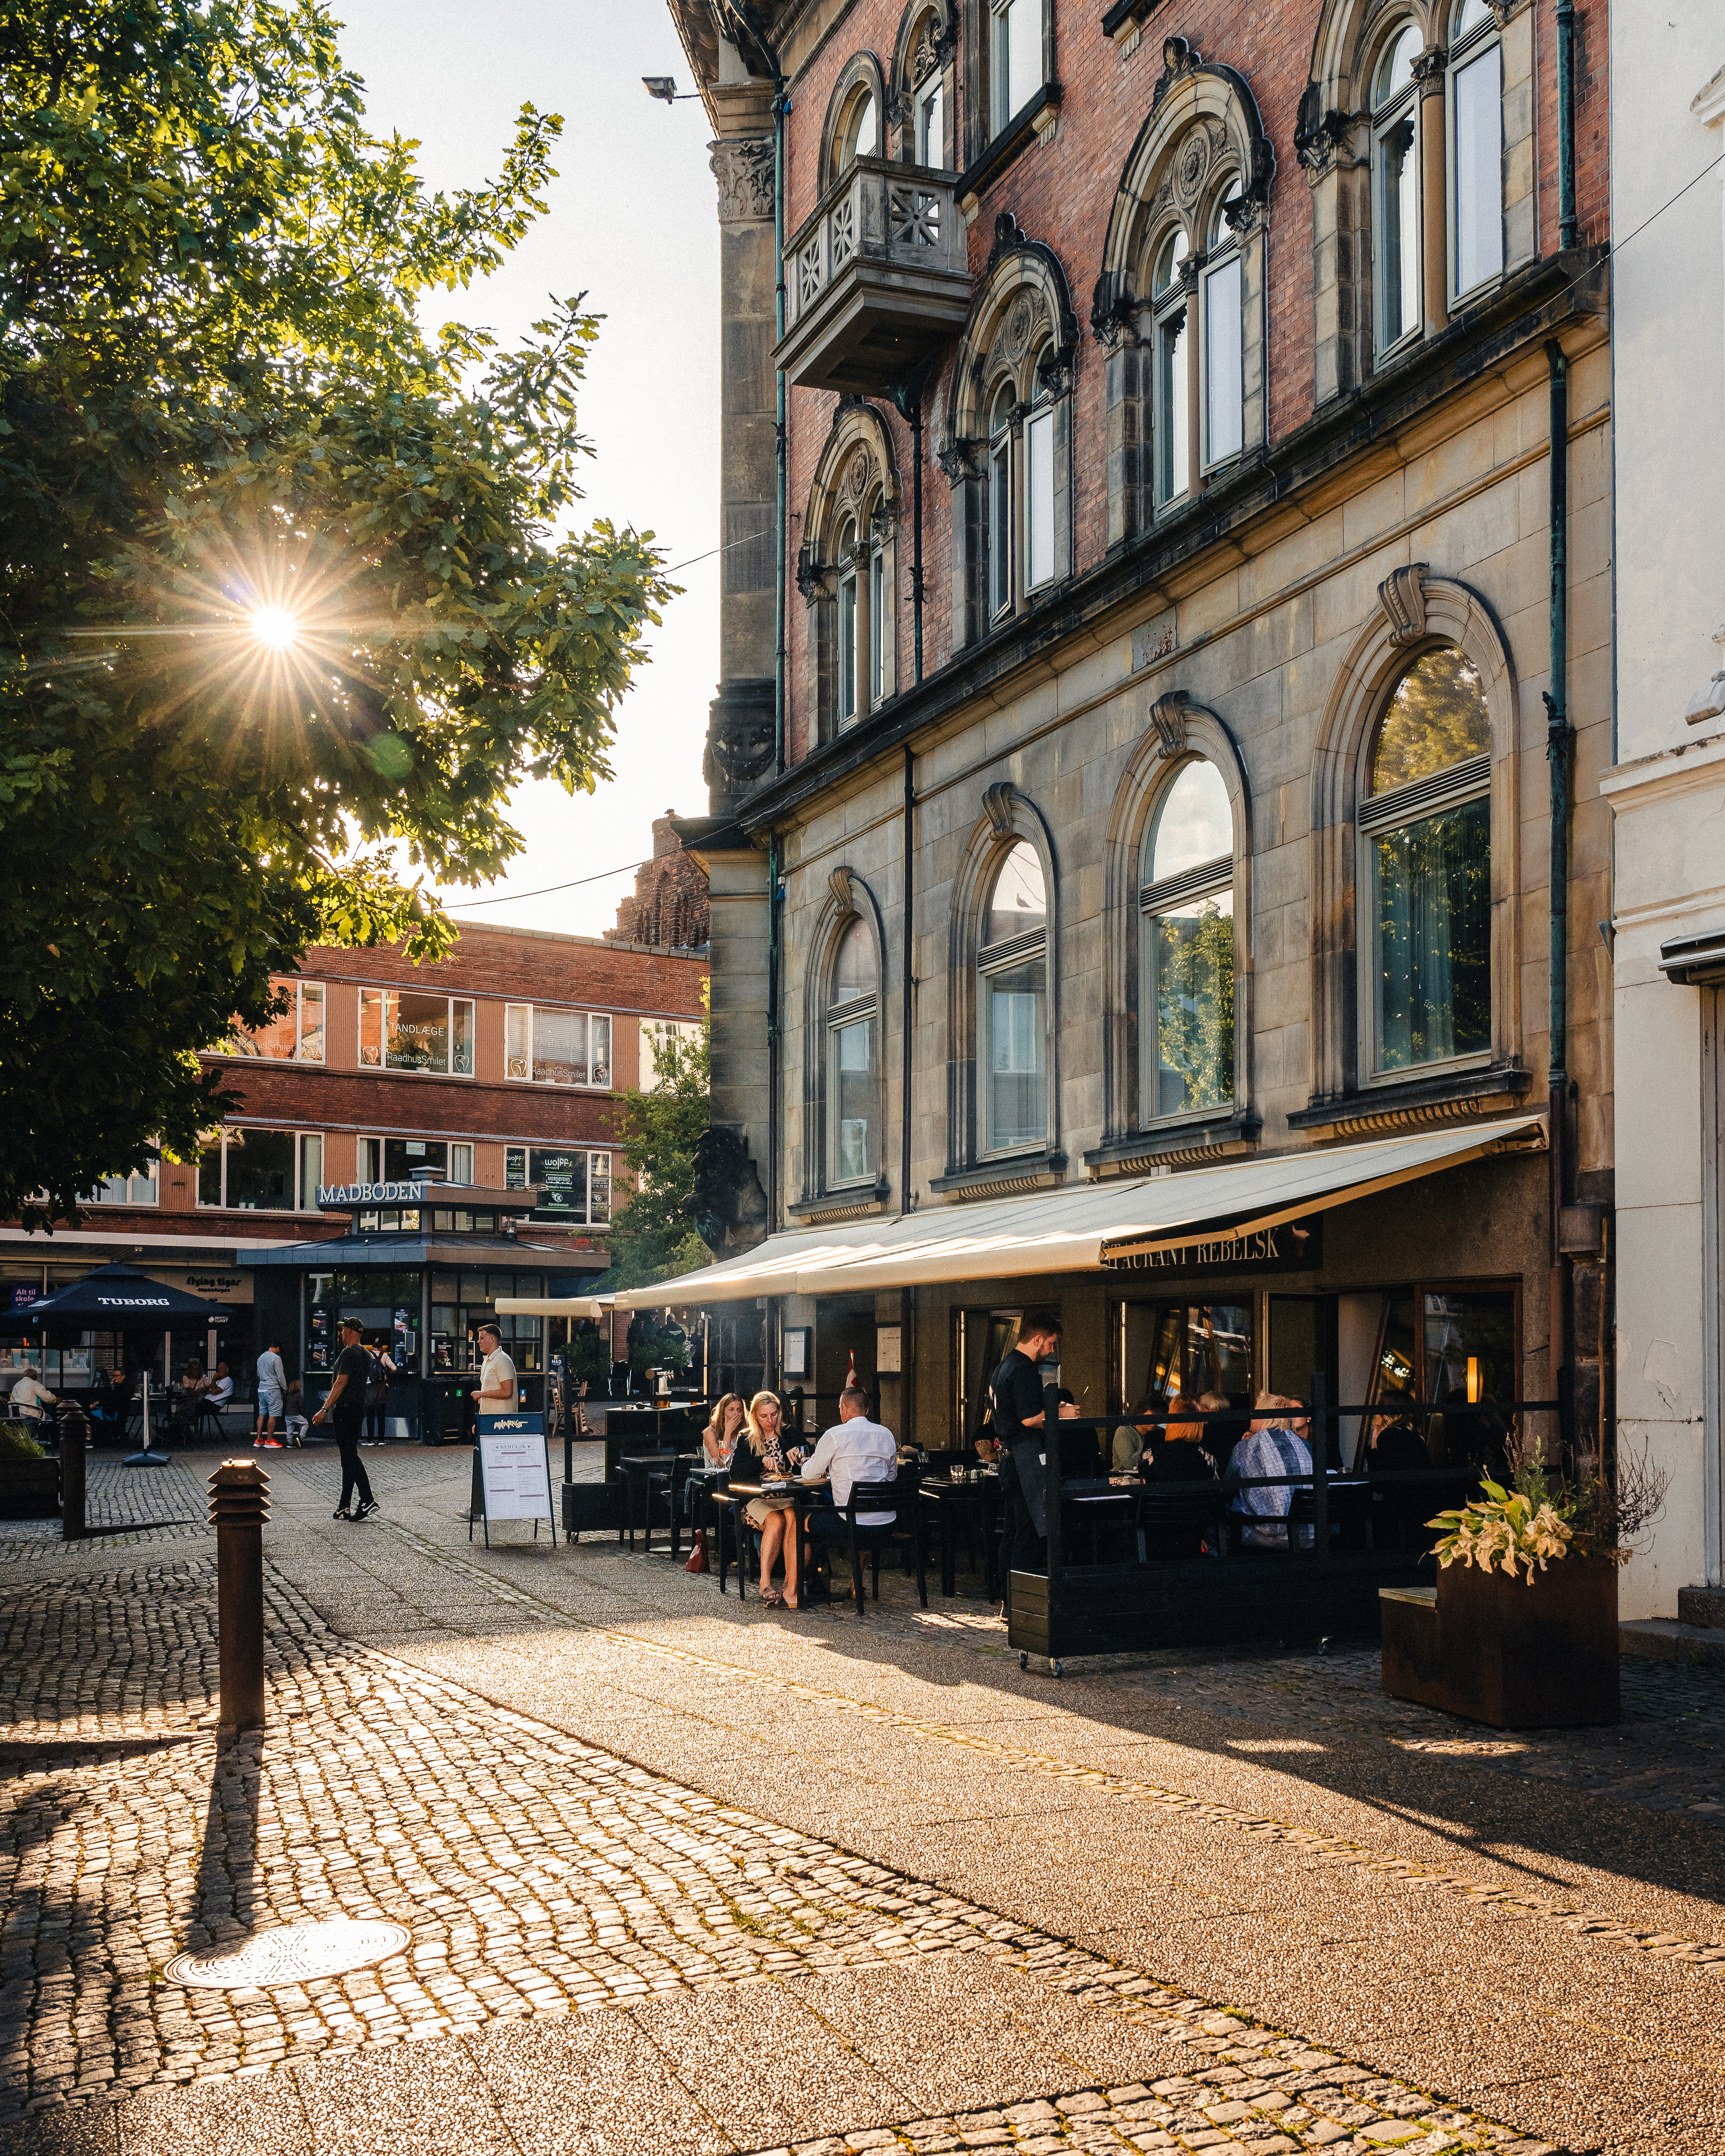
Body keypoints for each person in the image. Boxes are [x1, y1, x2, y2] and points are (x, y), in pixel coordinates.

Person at [990, 1310, 1078, 1616]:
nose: (1052, 1350)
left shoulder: (1002, 1367)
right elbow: (1030, 1419)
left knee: (1014, 1532)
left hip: (1010, 1458)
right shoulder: (1025, 1369)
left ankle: (1007, 1600)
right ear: (1037, 1339)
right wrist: (1061, 1414)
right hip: (1026, 1459)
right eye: (1051, 1343)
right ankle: (1023, 1606)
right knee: (1029, 1534)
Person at [800, 1384, 899, 1602]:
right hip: (886, 1523)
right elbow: (891, 1477)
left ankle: (798, 1585)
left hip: (851, 1523)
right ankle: (856, 1583)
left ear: (844, 1408)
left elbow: (809, 1474)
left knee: (805, 1521)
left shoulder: (835, 1435)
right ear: (867, 1410)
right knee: (861, 1517)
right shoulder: (887, 1435)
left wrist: (806, 1463)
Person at [730, 1391, 802, 1609]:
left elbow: (809, 1461)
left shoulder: (790, 1433)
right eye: (764, 1416)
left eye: (774, 1415)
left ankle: (791, 1584)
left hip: (788, 1497)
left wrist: (800, 1455)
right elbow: (735, 1473)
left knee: (792, 1517)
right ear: (755, 1416)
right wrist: (760, 1460)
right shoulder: (746, 1438)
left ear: (780, 1413)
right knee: (776, 1521)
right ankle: (765, 1583)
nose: (770, 1421)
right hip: (758, 1499)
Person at [312, 1317, 378, 1520]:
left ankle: (367, 1500)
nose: (340, 1333)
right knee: (347, 1456)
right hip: (358, 1408)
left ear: (350, 1331)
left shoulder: (348, 1352)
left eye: (343, 1330)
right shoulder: (367, 1354)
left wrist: (325, 1408)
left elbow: (341, 1383)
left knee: (349, 1456)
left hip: (346, 1409)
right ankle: (344, 1505)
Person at [1229, 1393, 1315, 1549]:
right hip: (1311, 1535)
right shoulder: (1305, 1445)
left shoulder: (1246, 1447)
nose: (1251, 1417)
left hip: (1268, 1538)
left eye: (1255, 1413)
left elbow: (1227, 1487)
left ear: (1265, 1416)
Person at [471, 1323, 517, 1422]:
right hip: (491, 1420)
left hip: (503, 1422)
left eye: (482, 1338)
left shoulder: (503, 1360)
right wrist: (480, 1420)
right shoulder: (487, 1360)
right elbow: (486, 1391)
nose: (479, 1341)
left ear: (492, 1339)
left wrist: (482, 1394)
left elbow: (508, 1392)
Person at [361, 1338, 397, 1445]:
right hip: (382, 1387)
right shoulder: (385, 1355)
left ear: (372, 1346)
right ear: (382, 1347)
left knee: (370, 1415)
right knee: (381, 1415)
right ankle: (381, 1440)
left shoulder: (367, 1355)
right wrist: (387, 1372)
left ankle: (370, 1440)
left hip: (369, 1388)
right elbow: (394, 1368)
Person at [254, 1341, 287, 1449]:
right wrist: (285, 1388)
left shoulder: (261, 1358)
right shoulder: (276, 1358)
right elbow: (280, 1376)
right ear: (277, 1349)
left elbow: (259, 1374)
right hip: (273, 1389)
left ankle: (258, 1440)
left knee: (262, 1414)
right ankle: (269, 1440)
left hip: (261, 1389)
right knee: (273, 1414)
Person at [9, 1366, 56, 1431]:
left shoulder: (17, 1385)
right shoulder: (34, 1384)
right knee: (49, 1418)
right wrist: (55, 1400)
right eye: (36, 1377)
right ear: (33, 1376)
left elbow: (12, 1400)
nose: (37, 1379)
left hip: (18, 1416)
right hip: (31, 1415)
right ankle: (40, 1437)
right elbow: (47, 1397)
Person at [282, 1377, 308, 1448]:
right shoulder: (299, 1396)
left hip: (287, 1415)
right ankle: (301, 1438)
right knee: (305, 1424)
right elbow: (302, 1407)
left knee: (290, 1428)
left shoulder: (287, 1396)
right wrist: (304, 1416)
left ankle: (290, 1443)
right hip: (296, 1414)